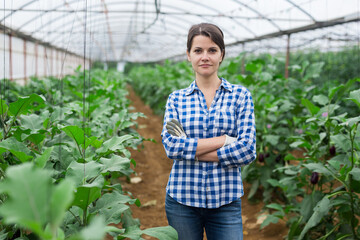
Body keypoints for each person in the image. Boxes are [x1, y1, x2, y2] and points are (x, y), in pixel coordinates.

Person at [161, 22, 256, 240]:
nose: (205, 56)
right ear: (188, 55)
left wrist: (191, 149)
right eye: (198, 50)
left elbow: (248, 150)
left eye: (212, 50)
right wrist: (224, 140)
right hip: (181, 201)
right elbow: (172, 146)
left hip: (225, 201)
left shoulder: (240, 96)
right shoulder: (176, 99)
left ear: (221, 55)